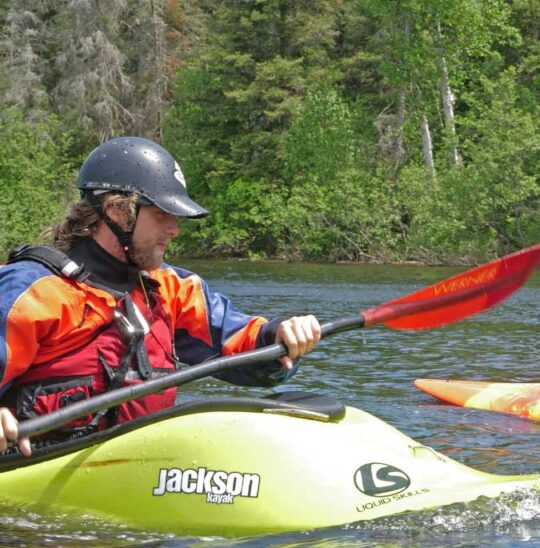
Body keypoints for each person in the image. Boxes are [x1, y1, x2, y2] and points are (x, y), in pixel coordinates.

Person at [0, 136, 321, 456]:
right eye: (161, 215)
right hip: (40, 480)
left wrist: (277, 335)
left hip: (139, 475)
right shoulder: (33, 291)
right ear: (116, 211)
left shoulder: (168, 288)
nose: (174, 229)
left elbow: (240, 344)